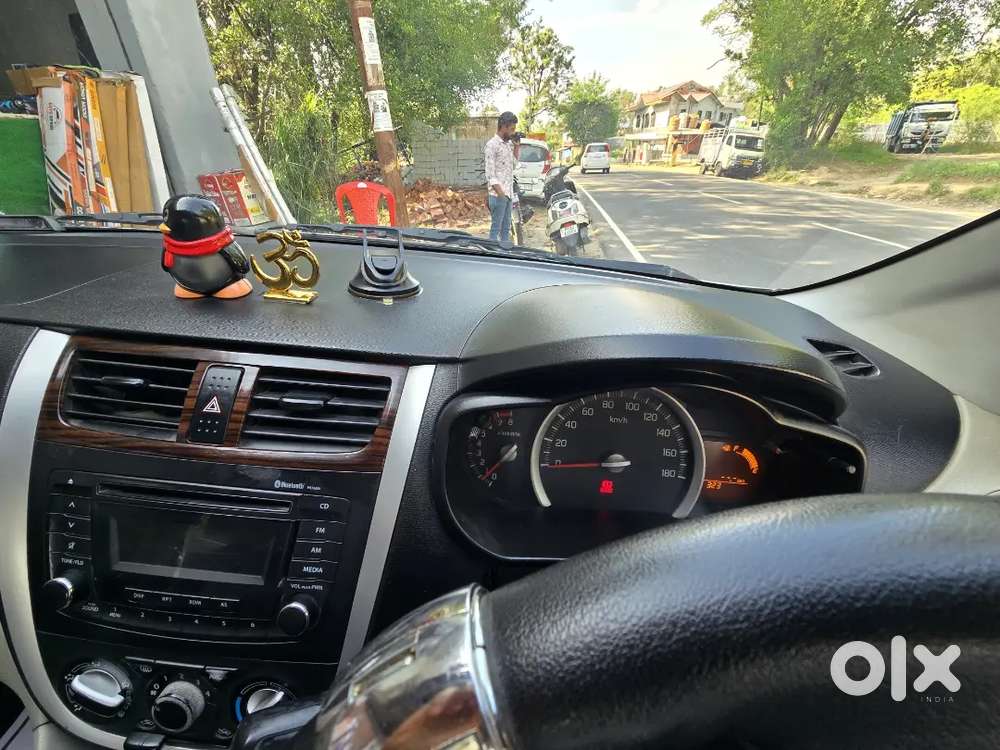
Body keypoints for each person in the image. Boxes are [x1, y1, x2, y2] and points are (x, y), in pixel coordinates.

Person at [484, 111, 518, 242]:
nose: (513, 132)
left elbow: (514, 165)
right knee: (495, 230)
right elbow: (490, 174)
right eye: (511, 129)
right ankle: (491, 257)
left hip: (508, 194)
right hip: (498, 196)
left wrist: (517, 147)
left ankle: (504, 257)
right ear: (503, 126)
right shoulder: (492, 145)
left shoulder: (509, 144)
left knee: (506, 230)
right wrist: (501, 195)